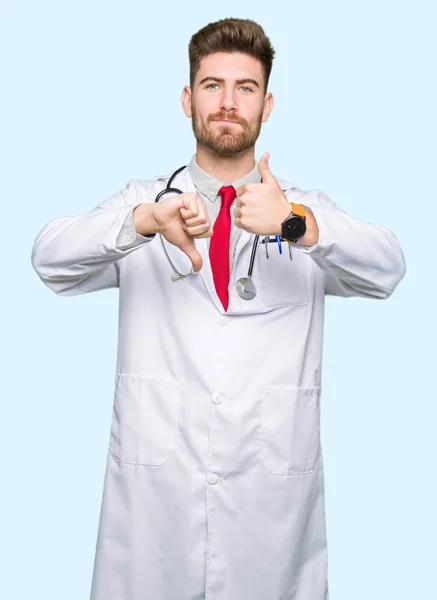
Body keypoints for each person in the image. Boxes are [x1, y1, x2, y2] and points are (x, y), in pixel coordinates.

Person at [31, 17, 406, 600]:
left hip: (271, 521)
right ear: (187, 99)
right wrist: (144, 224)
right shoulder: (143, 204)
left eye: (246, 88)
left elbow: (387, 270)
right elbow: (50, 260)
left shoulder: (304, 212)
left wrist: (293, 223)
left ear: (268, 104)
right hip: (154, 519)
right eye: (212, 85)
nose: (228, 103)